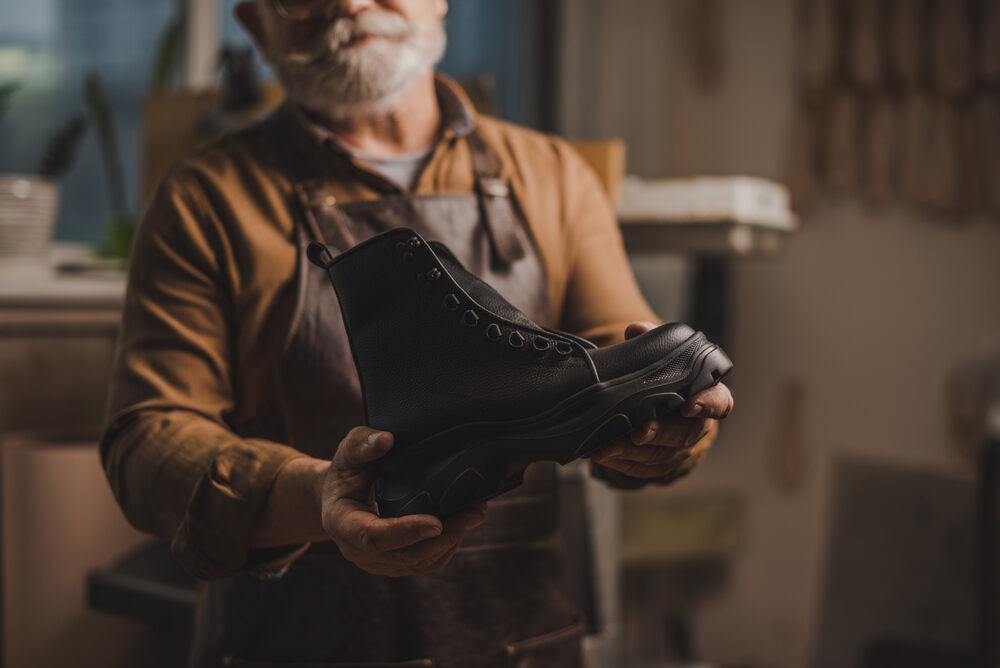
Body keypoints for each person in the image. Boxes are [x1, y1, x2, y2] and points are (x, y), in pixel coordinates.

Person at [100, 0, 734, 665]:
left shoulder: (551, 177)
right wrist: (320, 496)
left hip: (516, 638)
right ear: (256, 25)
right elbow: (146, 442)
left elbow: (623, 358)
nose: (348, 2)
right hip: (294, 643)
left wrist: (667, 427)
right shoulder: (206, 200)